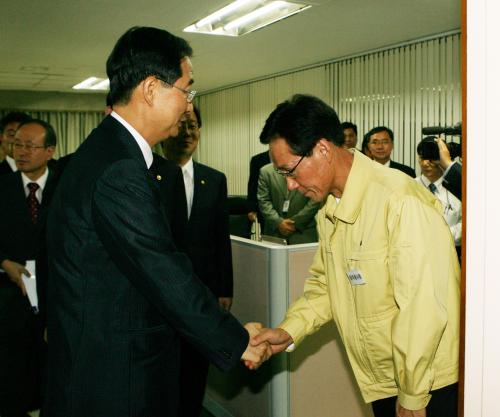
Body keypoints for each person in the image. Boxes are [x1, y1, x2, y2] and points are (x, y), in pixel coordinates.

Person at [44, 26, 270, 417]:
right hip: (115, 378)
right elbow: (162, 269)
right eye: (186, 91)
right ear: (151, 89)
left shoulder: (106, 153)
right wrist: (235, 339)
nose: (188, 107)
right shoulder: (119, 169)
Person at [251, 94, 460, 417]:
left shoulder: (400, 200)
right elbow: (326, 286)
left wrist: (413, 394)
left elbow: (424, 306)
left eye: (289, 171)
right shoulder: (331, 207)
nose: (290, 185)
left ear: (322, 149)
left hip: (426, 384)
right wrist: (289, 329)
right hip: (385, 380)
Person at [162, 105, 234, 417]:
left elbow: (221, 238)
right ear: (166, 131)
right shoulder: (143, 174)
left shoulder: (214, 180)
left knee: (194, 371)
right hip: (158, 295)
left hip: (202, 294)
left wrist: (224, 289)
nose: (189, 133)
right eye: (182, 125)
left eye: (195, 126)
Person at [0, 119, 58, 417]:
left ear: (49, 151)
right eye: (16, 145)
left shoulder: (66, 185)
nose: (20, 152)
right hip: (10, 295)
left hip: (55, 295)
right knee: (11, 373)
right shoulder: (2, 186)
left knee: (50, 369)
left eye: (29, 146)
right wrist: (3, 263)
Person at [416, 137, 461, 263]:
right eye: (422, 158)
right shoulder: (409, 187)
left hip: (450, 255)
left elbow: (467, 223)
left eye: (431, 158)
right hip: (417, 256)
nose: (426, 163)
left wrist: (441, 235)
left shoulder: (458, 188)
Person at [257, 163, 320, 244]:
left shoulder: (310, 168)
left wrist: (295, 223)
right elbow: (263, 200)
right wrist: (278, 222)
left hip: (304, 234)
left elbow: (315, 199)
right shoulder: (266, 171)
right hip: (274, 235)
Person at [247, 150, 270, 225]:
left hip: (285, 204)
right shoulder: (257, 160)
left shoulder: (290, 156)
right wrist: (251, 208)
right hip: (263, 205)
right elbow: (252, 185)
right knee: (265, 234)